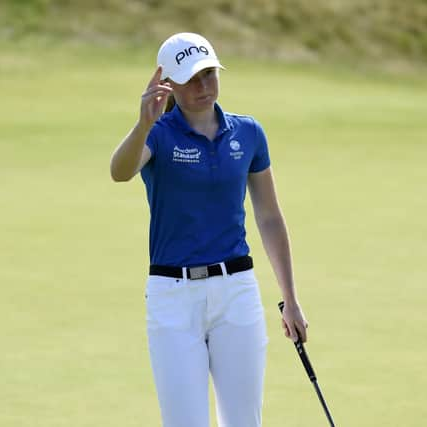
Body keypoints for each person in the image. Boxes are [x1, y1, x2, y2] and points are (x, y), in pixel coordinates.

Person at [110, 32, 309, 427]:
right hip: (173, 297)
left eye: (209, 75)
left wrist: (290, 298)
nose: (203, 86)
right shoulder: (159, 134)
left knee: (244, 422)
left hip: (236, 292)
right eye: (191, 79)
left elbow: (269, 216)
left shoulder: (248, 132)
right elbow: (120, 171)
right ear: (169, 84)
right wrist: (142, 124)